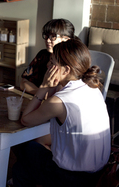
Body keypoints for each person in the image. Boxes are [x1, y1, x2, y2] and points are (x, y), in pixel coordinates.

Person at [12, 39, 111, 187]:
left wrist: (44, 87)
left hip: (72, 178)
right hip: (98, 172)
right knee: (32, 153)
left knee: (24, 152)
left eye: (52, 63)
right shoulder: (93, 88)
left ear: (66, 70)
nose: (47, 66)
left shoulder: (59, 102)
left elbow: (26, 120)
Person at [20, 18, 75, 95]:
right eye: (46, 36)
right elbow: (23, 83)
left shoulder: (72, 62)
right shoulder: (42, 55)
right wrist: (41, 94)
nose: (48, 40)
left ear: (66, 39)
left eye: (53, 36)